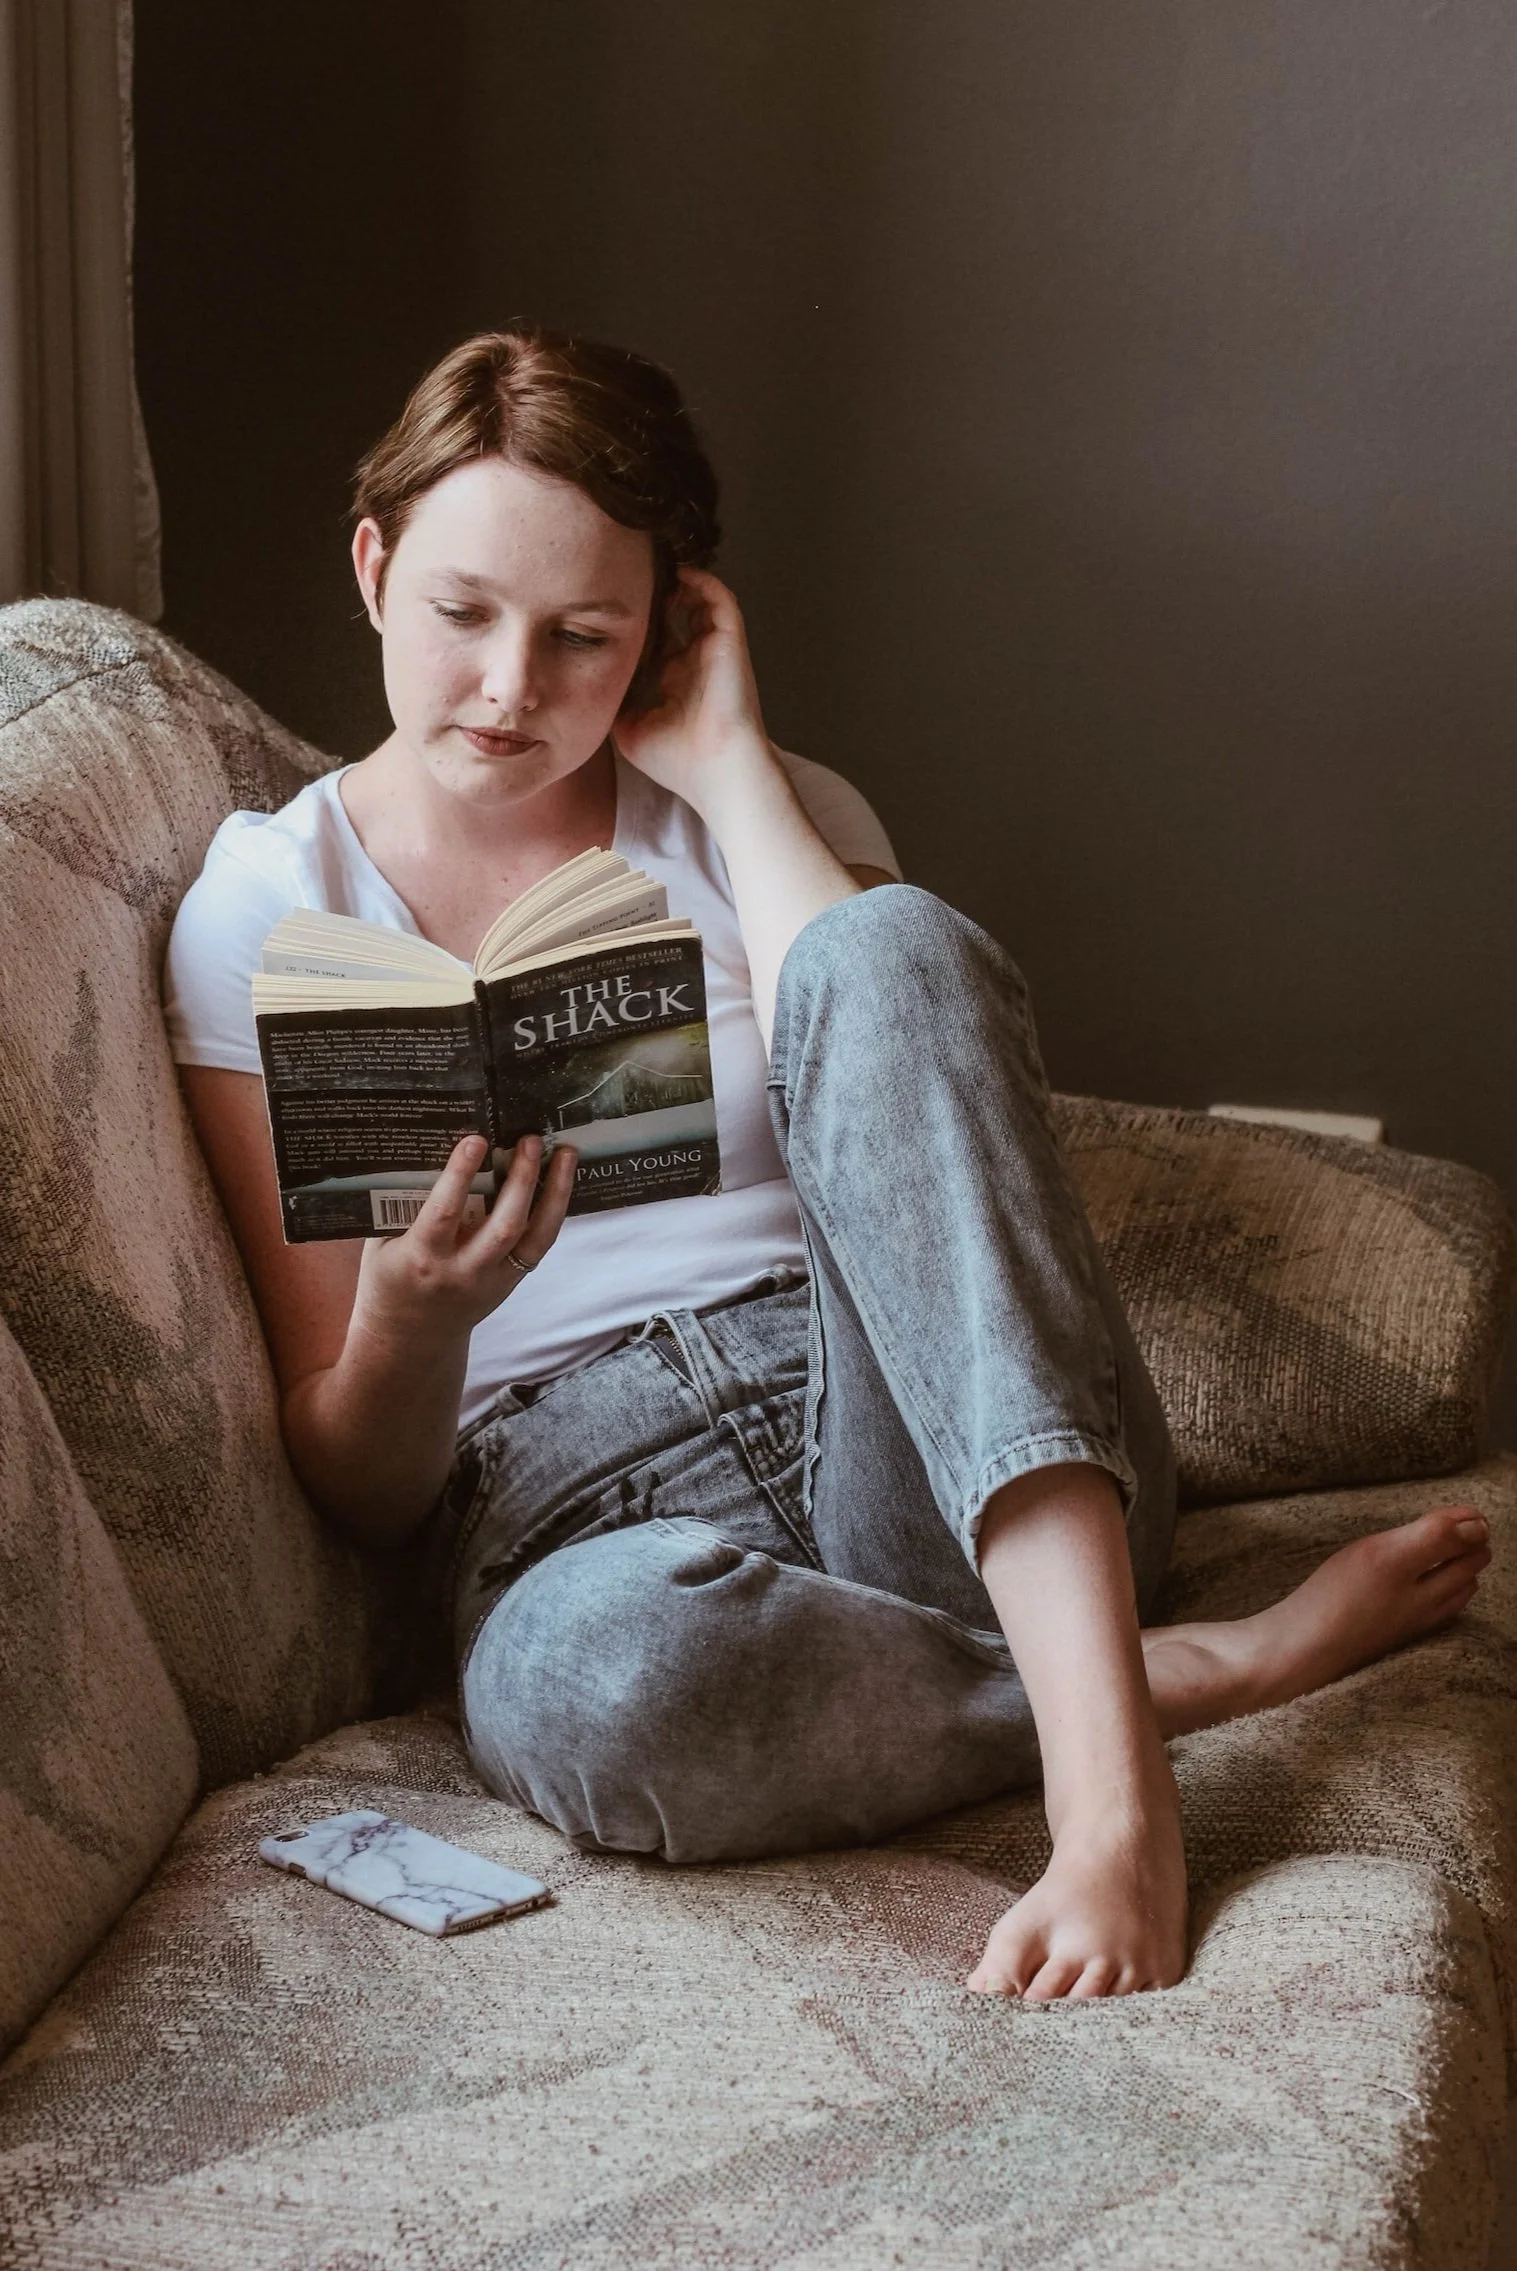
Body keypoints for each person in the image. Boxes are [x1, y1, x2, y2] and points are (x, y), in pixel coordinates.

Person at [164, 324, 1491, 2003]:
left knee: (887, 942)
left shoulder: (766, 811)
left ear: (672, 622)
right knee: (593, 1691)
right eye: (462, 614)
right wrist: (417, 1317)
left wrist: (733, 772)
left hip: (922, 1431)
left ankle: (1108, 1803)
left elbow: (908, 1066)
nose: (510, 687)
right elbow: (357, 1482)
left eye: (584, 634)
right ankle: (1201, 1670)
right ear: (373, 571)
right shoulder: (267, 909)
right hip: (576, 1527)